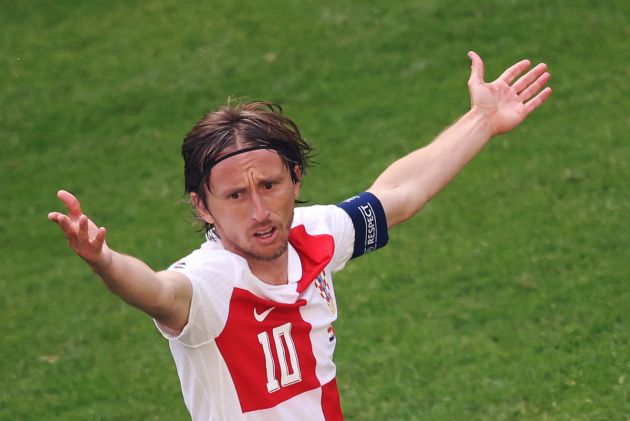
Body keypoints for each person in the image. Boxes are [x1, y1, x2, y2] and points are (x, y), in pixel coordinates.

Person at [48, 51, 551, 420]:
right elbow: (157, 291)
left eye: (269, 185)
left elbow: (400, 191)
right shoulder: (207, 284)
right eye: (235, 197)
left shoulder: (317, 233)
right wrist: (105, 262)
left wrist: (481, 120)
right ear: (202, 206)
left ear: (295, 180)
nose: (261, 211)